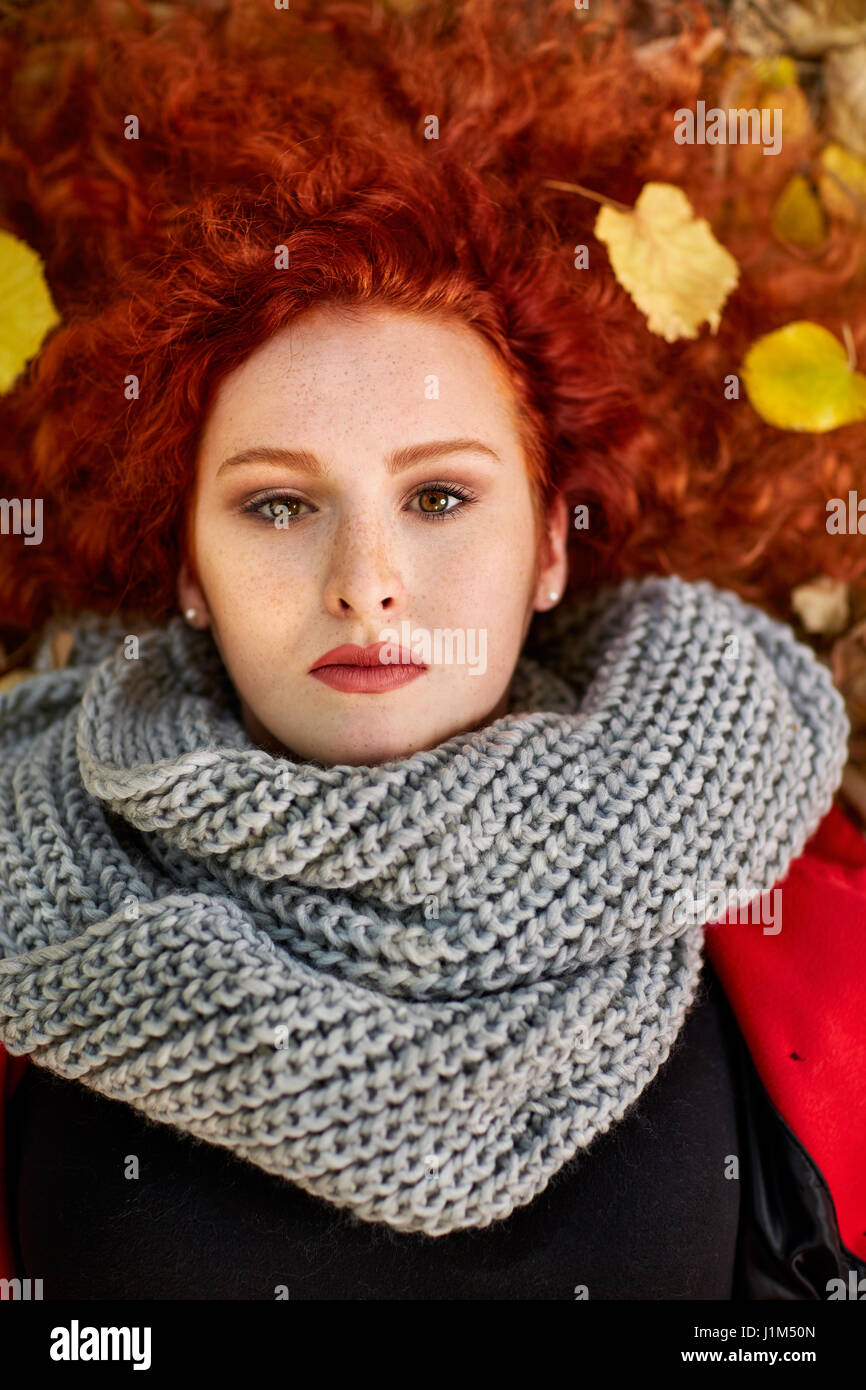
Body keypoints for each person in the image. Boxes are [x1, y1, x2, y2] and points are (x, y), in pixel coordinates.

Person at [0, 0, 864, 1301]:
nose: (367, 587)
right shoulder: (27, 876)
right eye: (278, 505)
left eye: (441, 497)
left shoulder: (777, 890)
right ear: (186, 567)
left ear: (549, 549)